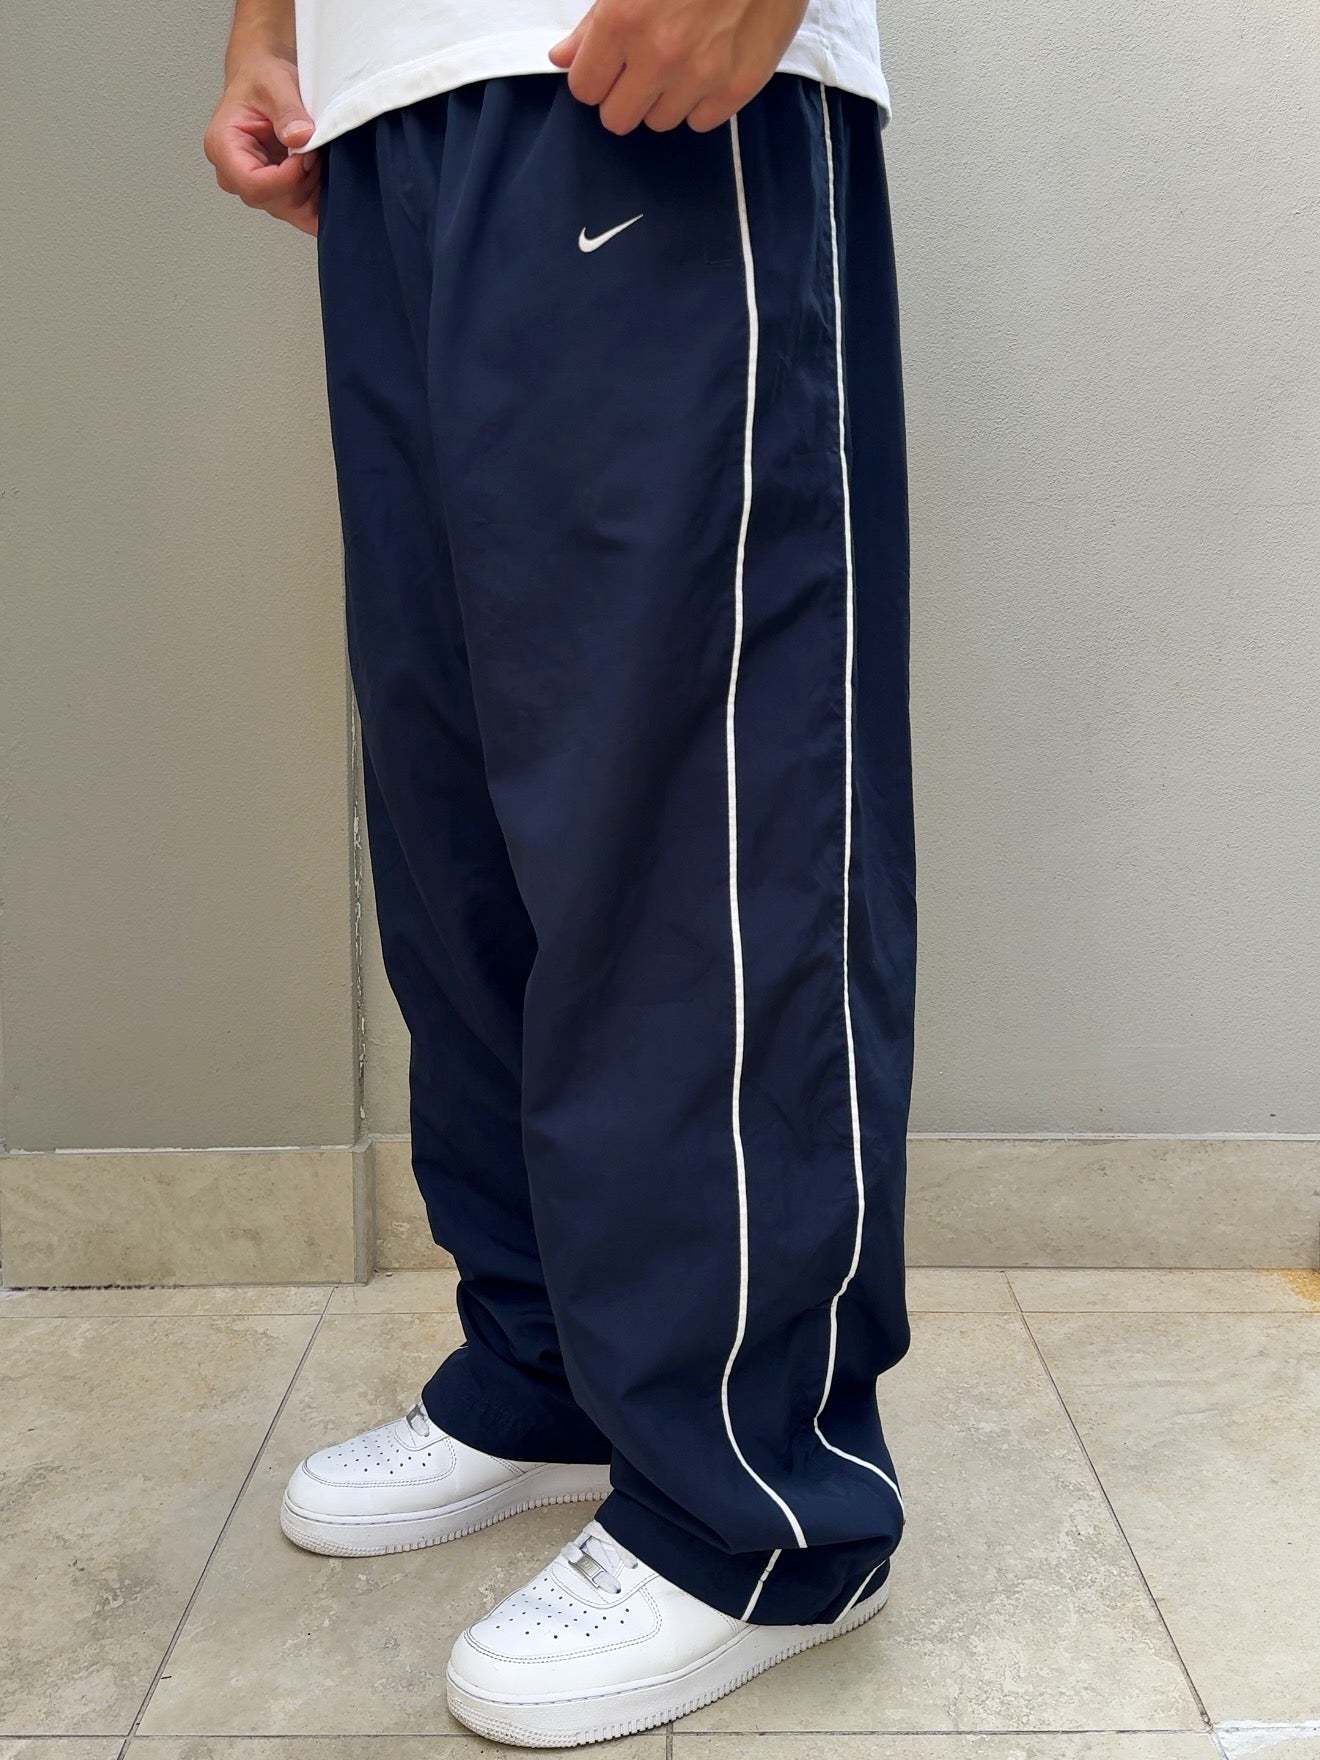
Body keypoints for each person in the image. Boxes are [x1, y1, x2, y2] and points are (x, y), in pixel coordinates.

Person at [205, 0, 916, 1744]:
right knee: (460, 812)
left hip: (637, 61)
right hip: (389, 109)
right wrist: (268, 25)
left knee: (689, 812)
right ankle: (548, 1370)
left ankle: (760, 1503)